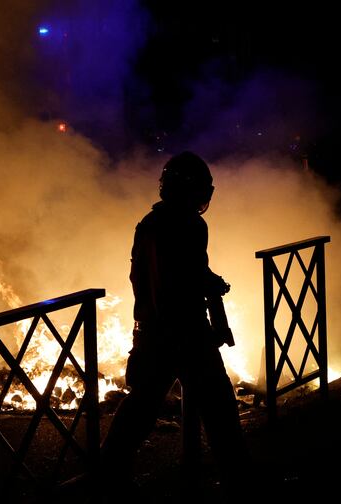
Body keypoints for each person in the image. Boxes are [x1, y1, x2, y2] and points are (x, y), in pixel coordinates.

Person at [100, 151, 249, 493]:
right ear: (192, 190)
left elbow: (161, 274)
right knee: (219, 408)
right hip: (184, 331)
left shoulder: (150, 225)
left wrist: (207, 279)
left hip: (154, 332)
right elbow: (177, 279)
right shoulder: (191, 225)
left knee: (141, 407)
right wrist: (205, 287)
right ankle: (239, 481)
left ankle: (108, 475)